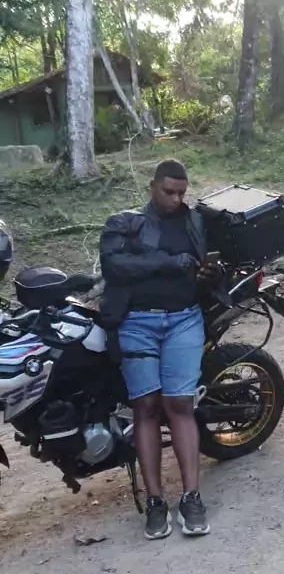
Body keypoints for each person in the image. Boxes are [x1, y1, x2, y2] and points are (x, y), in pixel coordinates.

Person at [99, 159, 215, 540]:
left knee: (180, 404)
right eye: (169, 191)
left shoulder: (194, 221)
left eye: (182, 192)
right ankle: (154, 501)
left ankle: (192, 497)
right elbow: (115, 266)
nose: (176, 199)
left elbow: (204, 265)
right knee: (145, 406)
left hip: (184, 319)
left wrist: (207, 273)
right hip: (137, 323)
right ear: (152, 187)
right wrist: (169, 263)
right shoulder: (125, 223)